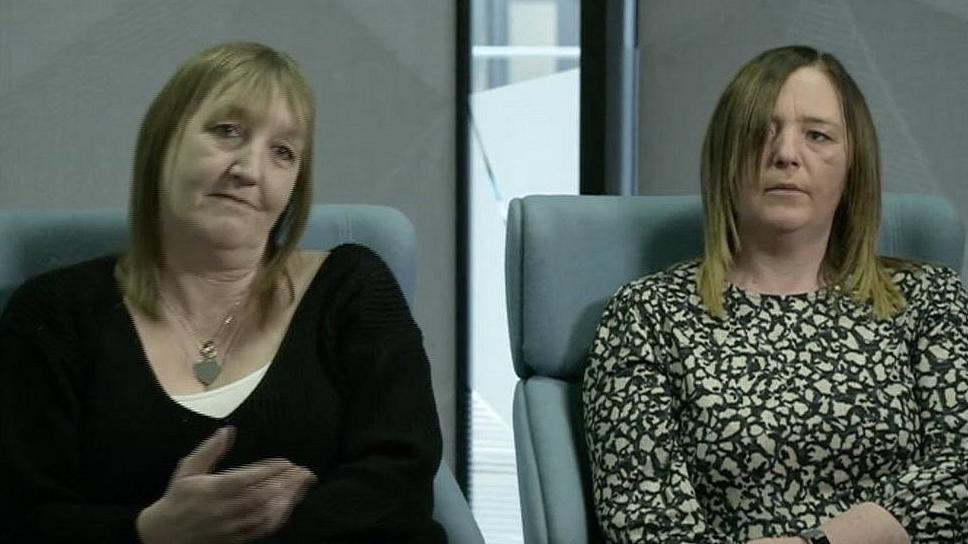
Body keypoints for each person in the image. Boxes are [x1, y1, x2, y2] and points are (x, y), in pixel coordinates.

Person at [0, 42, 445, 543]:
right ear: (162, 141)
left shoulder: (351, 288)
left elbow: (401, 482)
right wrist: (151, 532)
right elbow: (24, 520)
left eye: (283, 152)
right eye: (227, 131)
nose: (250, 170)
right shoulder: (54, 314)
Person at [582, 45, 967, 544]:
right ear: (727, 157)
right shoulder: (646, 316)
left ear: (854, 165)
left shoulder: (929, 301)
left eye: (817, 135)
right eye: (762, 131)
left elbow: (961, 470)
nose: (786, 153)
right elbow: (646, 521)